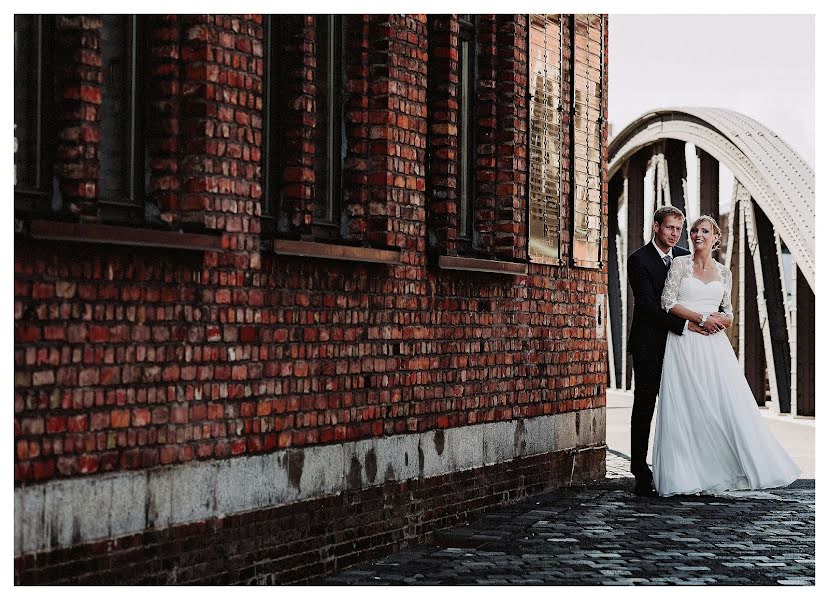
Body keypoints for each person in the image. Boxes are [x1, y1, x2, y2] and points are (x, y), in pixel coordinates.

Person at [652, 215, 800, 496]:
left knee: (721, 403)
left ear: (715, 238)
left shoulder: (723, 272)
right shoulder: (680, 265)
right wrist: (700, 319)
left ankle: (722, 468)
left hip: (714, 346)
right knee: (686, 404)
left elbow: (729, 313)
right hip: (685, 341)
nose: (697, 235)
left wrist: (720, 320)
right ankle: (686, 473)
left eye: (704, 231)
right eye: (694, 230)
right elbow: (667, 302)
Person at [626, 206, 720, 497]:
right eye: (669, 228)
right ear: (656, 227)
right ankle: (640, 472)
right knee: (645, 407)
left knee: (684, 407)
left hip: (682, 348)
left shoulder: (684, 258)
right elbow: (648, 304)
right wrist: (687, 323)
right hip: (649, 345)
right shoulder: (638, 260)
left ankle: (684, 469)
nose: (675, 234)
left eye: (679, 229)